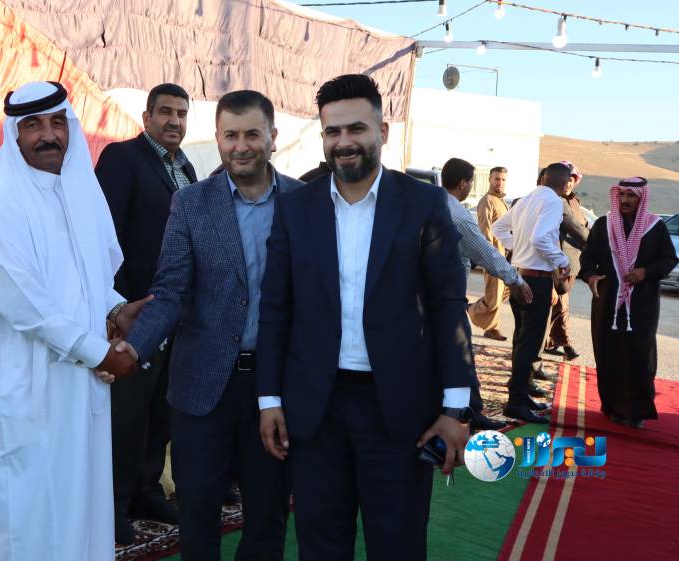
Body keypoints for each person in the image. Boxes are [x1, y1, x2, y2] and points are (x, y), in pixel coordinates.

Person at [256, 74, 475, 561]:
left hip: (399, 410)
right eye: (332, 131)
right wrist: (269, 399)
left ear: (382, 131)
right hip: (316, 410)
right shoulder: (295, 208)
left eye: (356, 128)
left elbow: (447, 306)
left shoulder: (423, 204)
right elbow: (275, 309)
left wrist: (455, 408)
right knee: (320, 545)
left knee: (397, 544)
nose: (344, 142)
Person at [0, 80, 144, 561]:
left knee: (80, 498)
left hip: (81, 383)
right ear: (14, 134)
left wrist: (114, 308)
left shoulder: (81, 189)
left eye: (57, 122)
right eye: (33, 125)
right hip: (30, 385)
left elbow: (87, 274)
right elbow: (26, 305)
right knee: (28, 511)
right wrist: (100, 353)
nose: (49, 135)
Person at [122, 90, 298, 561]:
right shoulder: (190, 203)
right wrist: (133, 349)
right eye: (230, 135)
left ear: (273, 137)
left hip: (276, 390)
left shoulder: (304, 202)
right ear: (218, 138)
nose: (241, 146)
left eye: (252, 135)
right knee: (198, 516)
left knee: (267, 517)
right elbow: (170, 291)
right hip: (200, 388)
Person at [94, 83, 196, 542]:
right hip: (135, 312)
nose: (174, 121)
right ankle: (111, 504)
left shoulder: (185, 168)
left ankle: (147, 490)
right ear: (147, 117)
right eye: (166, 112)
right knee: (126, 414)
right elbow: (104, 236)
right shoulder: (122, 158)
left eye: (182, 113)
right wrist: (115, 307)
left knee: (161, 409)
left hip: (177, 314)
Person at [440, 158, 533, 431]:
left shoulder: (429, 204)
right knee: (461, 355)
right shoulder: (458, 214)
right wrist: (515, 279)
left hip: (427, 295)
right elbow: (482, 249)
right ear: (463, 183)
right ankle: (471, 412)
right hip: (446, 296)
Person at [580, 177, 677, 429]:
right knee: (608, 351)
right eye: (621, 194)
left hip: (642, 304)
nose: (624, 200)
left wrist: (646, 272)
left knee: (639, 354)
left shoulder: (655, 227)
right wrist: (590, 276)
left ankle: (636, 411)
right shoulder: (603, 225)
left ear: (641, 198)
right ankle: (612, 406)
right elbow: (588, 257)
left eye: (631, 195)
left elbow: (669, 259)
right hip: (607, 300)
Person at [492, 162, 574, 423]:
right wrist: (561, 260)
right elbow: (540, 238)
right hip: (536, 281)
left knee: (522, 340)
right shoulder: (553, 201)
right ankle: (516, 402)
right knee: (529, 344)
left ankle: (521, 394)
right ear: (565, 184)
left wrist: (517, 247)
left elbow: (498, 229)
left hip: (519, 277)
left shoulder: (527, 199)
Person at [544, 160, 589, 361]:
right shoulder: (556, 201)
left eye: (573, 179)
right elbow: (576, 230)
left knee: (560, 305)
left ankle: (551, 342)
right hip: (557, 262)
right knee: (560, 304)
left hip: (573, 262)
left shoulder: (575, 202)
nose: (569, 183)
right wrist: (595, 244)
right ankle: (566, 343)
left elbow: (583, 226)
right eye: (567, 179)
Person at [469, 166, 513, 340]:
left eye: (503, 179)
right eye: (497, 179)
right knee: (494, 296)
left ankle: (490, 326)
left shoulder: (501, 201)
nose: (499, 183)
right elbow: (484, 231)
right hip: (492, 256)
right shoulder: (487, 201)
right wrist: (489, 257)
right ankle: (473, 311)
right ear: (489, 179)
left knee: (504, 291)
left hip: (504, 256)